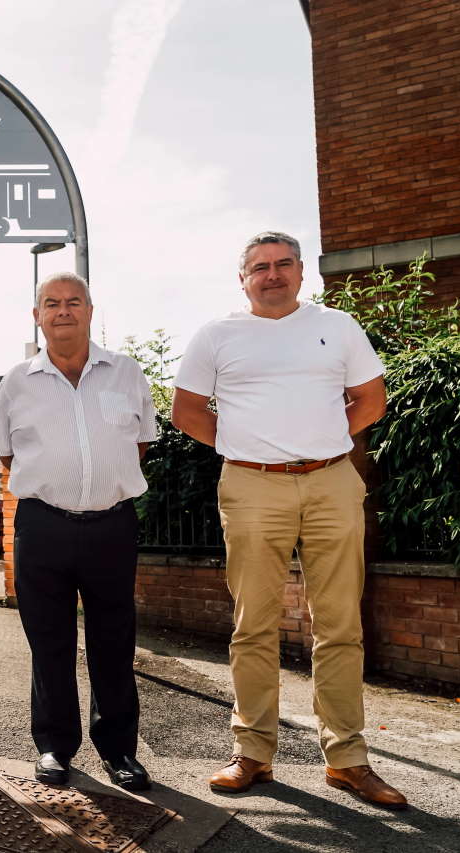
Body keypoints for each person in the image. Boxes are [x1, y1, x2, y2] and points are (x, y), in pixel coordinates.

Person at [172, 231, 407, 810]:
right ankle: (252, 753)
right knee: (253, 624)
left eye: (282, 265)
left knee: (339, 623)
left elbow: (371, 400)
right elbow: (186, 411)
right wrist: (246, 447)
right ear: (243, 278)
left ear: (301, 272)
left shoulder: (338, 325)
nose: (271, 274)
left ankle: (348, 761)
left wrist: (319, 442)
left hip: (331, 480)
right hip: (251, 484)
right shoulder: (217, 335)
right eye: (259, 267)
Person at [0, 273, 155, 791]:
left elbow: (141, 444)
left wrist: (98, 486)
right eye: (51, 303)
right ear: (37, 316)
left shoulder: (127, 373)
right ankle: (55, 747)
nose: (63, 310)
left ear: (89, 309)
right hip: (42, 527)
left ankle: (119, 751)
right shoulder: (16, 381)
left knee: (114, 640)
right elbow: (6, 455)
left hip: (111, 526)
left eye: (73, 302)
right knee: (50, 643)